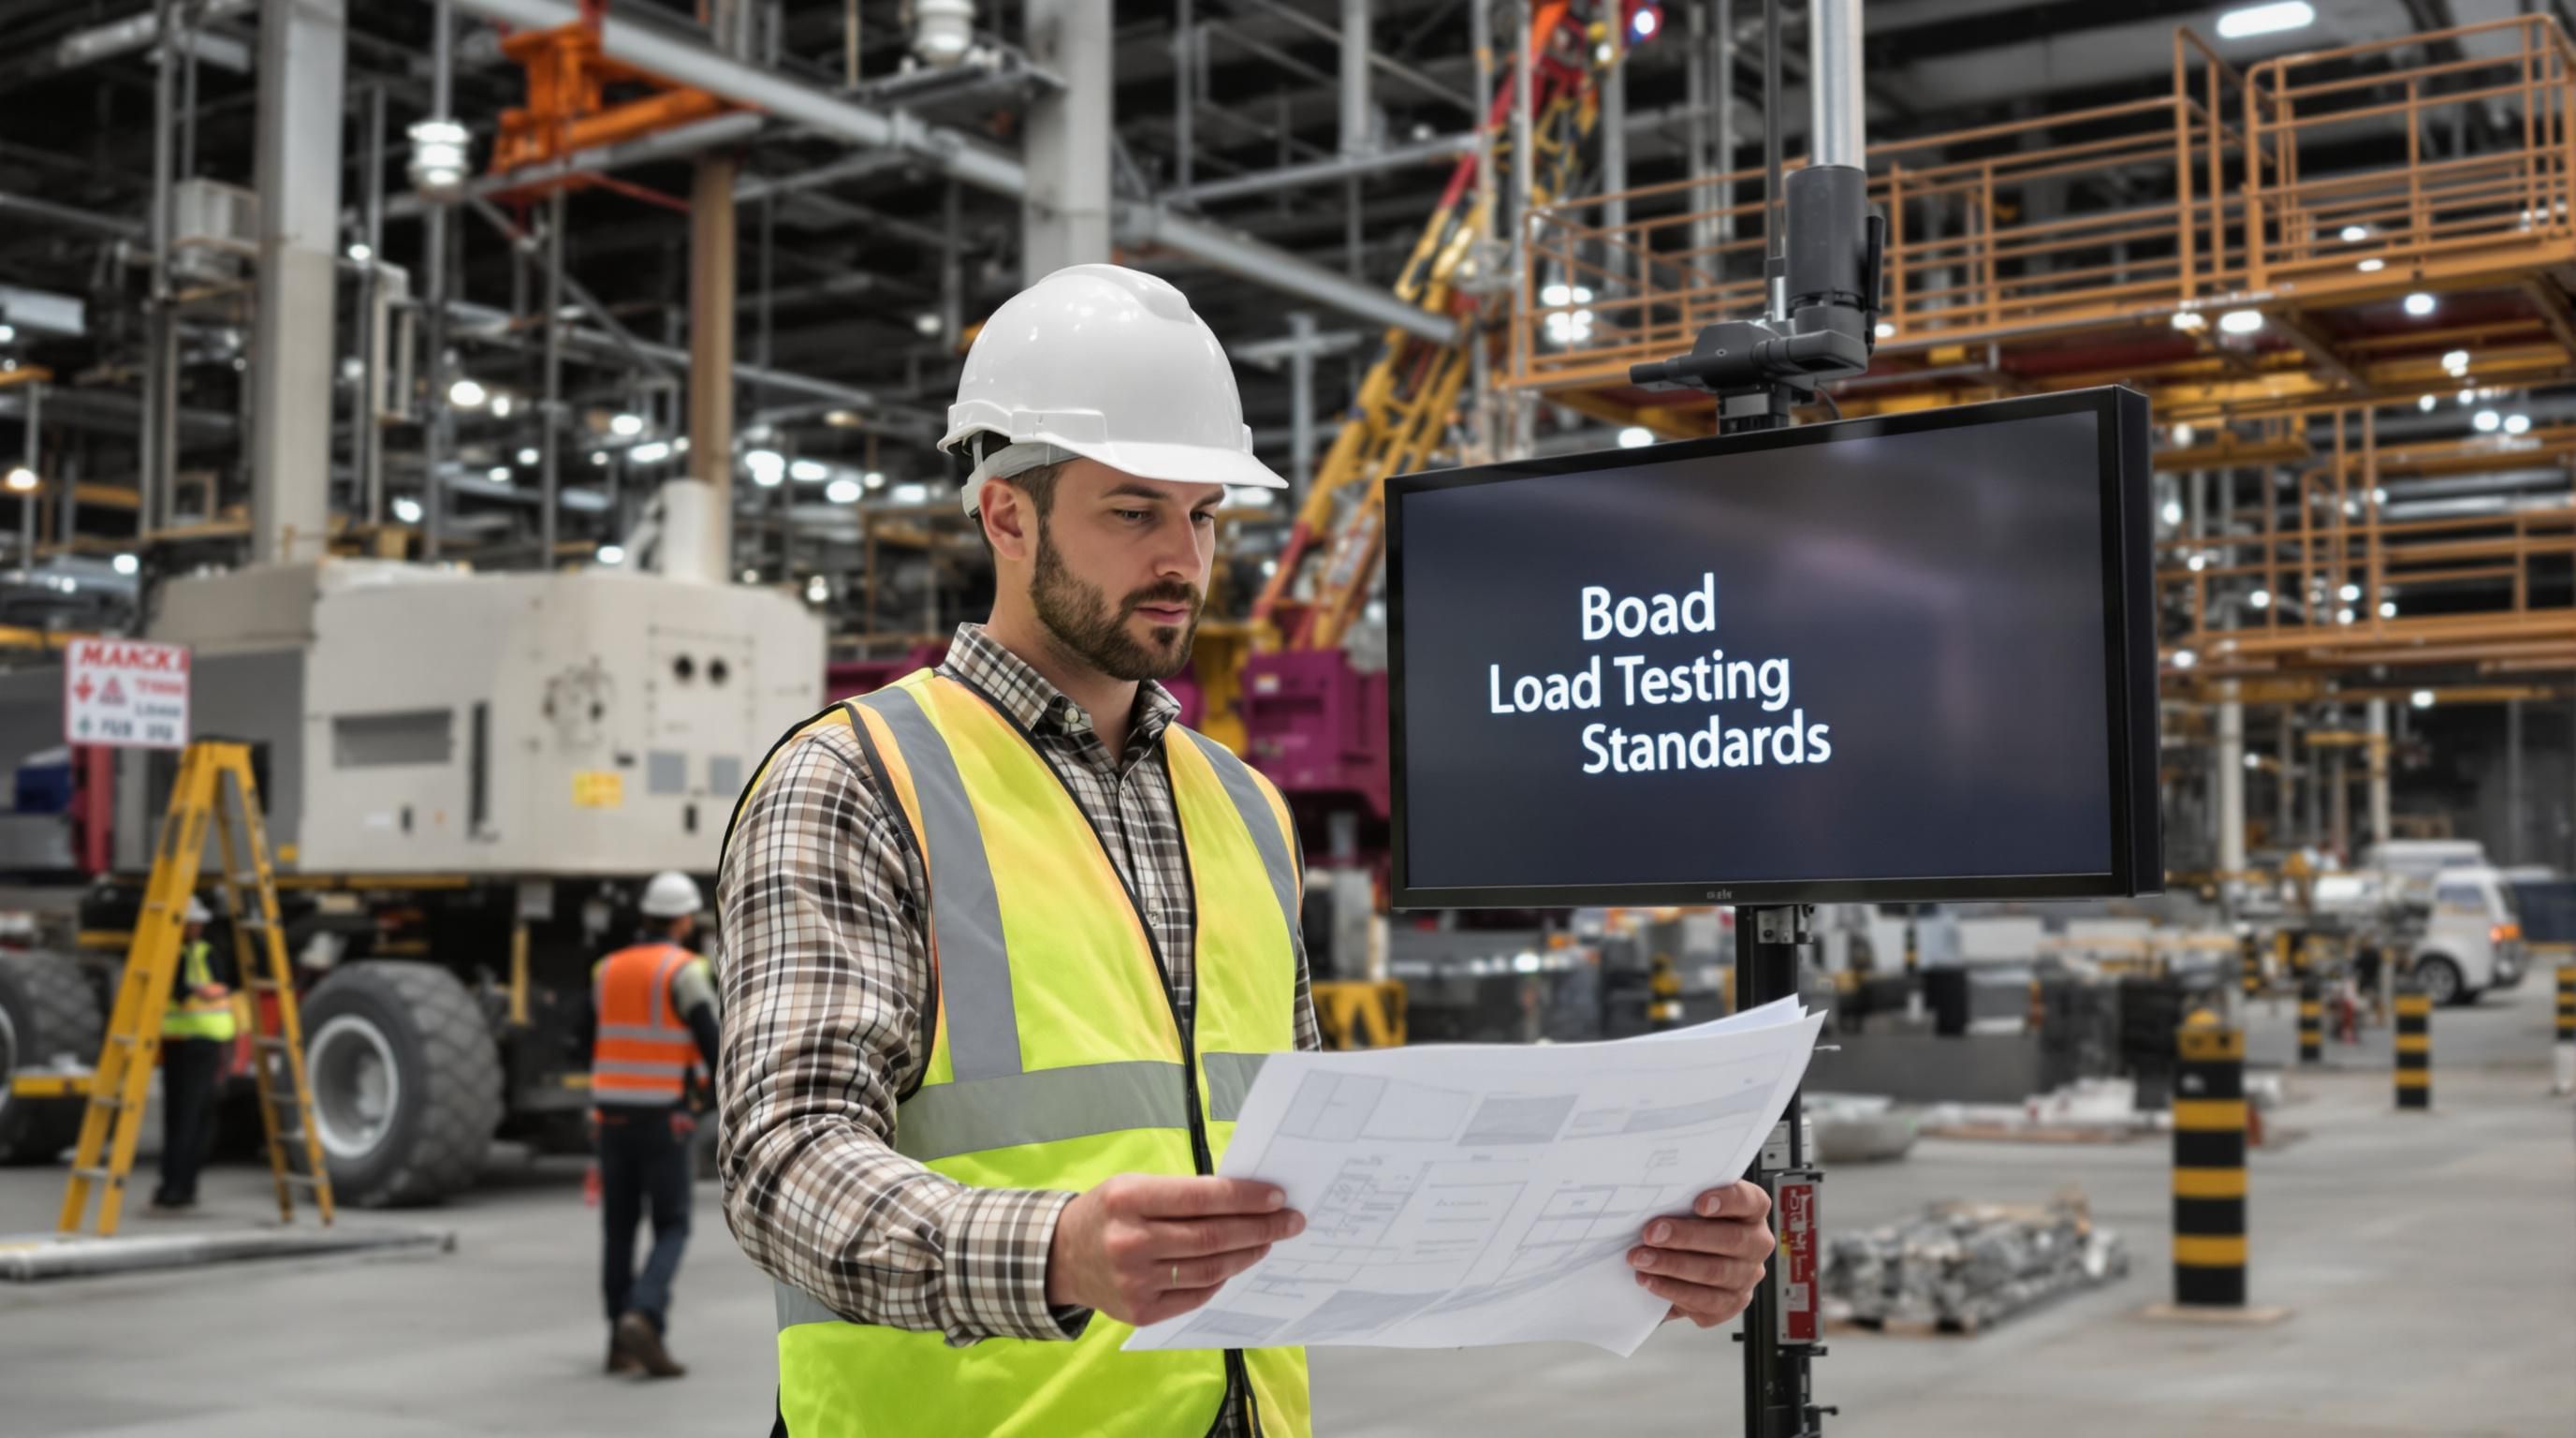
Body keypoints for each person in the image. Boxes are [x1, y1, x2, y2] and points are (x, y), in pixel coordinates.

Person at [718, 263, 1778, 1438]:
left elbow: (1320, 1172)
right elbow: (783, 1162)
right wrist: (1054, 1253)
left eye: (1205, 514)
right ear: (1005, 515)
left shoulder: (1243, 807)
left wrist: (1627, 1233)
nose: (1183, 558)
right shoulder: (856, 779)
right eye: (1134, 511)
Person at [586, 869, 721, 1380]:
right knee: (672, 1224)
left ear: (646, 914)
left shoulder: (607, 969)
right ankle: (644, 1315)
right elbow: (713, 1042)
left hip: (611, 1116)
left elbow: (590, 1032)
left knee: (618, 1230)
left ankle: (616, 1341)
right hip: (665, 1117)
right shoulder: (684, 971)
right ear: (683, 919)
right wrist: (709, 1098)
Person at [152, 896, 235, 1213]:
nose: (197, 927)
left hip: (190, 1043)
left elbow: (178, 991)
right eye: (193, 922)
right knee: (190, 1118)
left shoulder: (186, 954)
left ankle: (176, 1188)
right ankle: (179, 1187)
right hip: (192, 1043)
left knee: (185, 1119)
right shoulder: (201, 954)